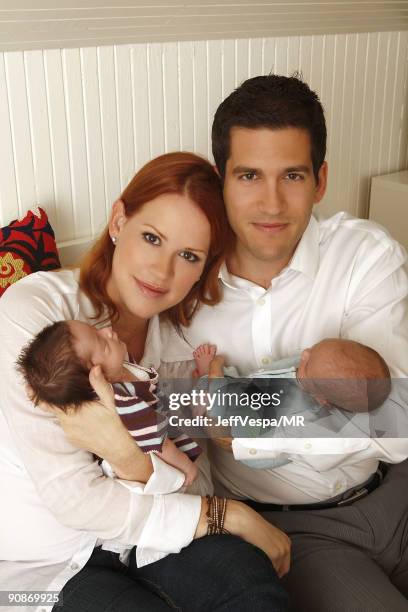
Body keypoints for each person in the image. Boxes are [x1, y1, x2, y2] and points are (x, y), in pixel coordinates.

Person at [158, 76, 408, 611]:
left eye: (291, 175)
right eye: (249, 175)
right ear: (221, 179)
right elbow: (178, 413)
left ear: (319, 180)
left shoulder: (365, 256)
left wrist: (250, 422)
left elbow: (398, 425)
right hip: (297, 532)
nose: (271, 204)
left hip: (397, 488)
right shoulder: (183, 281)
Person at [0, 152, 290, 612]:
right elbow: (73, 499)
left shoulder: (175, 351)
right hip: (43, 568)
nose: (161, 271)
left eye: (188, 255)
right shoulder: (37, 316)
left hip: (150, 541)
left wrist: (126, 455)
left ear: (203, 268)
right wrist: (226, 514)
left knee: (248, 584)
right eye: (152, 238)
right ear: (119, 221)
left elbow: (193, 482)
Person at [17, 319, 202, 486]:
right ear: (97, 375)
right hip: (169, 458)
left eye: (96, 330)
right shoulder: (125, 402)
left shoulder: (119, 366)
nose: (108, 330)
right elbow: (160, 443)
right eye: (104, 344)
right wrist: (186, 467)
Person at [192, 339, 391, 470]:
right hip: (252, 390)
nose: (304, 354)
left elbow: (260, 456)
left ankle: (205, 378)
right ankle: (212, 381)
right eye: (313, 350)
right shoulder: (311, 370)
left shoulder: (305, 423)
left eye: (307, 362)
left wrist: (215, 373)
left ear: (322, 400)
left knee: (213, 401)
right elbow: (271, 371)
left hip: (245, 427)